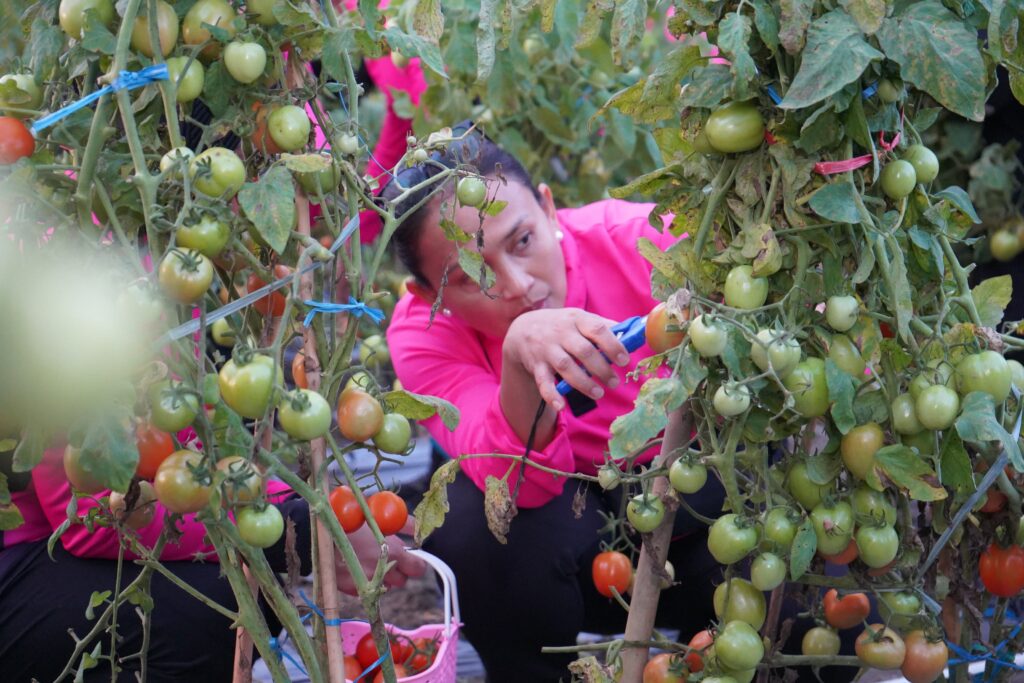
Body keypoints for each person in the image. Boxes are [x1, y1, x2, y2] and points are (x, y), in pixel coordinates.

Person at [383, 125, 864, 682]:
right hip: (570, 554)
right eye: (472, 274)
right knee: (476, 522)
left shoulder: (647, 242)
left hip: (707, 522)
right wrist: (519, 354)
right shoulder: (423, 335)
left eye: (521, 241)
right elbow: (515, 483)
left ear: (548, 208)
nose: (516, 286)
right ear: (428, 295)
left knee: (828, 623)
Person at [0, 442, 425, 682]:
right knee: (208, 613)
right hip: (20, 550)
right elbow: (89, 515)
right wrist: (298, 532)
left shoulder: (167, 305)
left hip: (62, 537)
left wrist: (304, 508)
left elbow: (205, 446)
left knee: (252, 600)